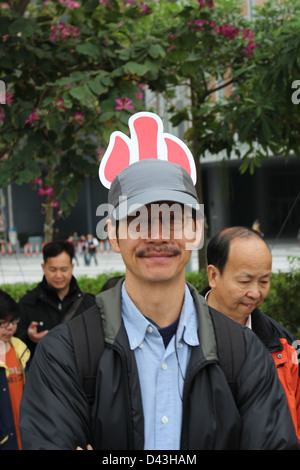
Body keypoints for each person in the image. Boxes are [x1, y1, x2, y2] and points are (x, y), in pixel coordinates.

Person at [19, 158, 299, 450]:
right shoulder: (65, 355)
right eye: (138, 219)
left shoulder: (244, 352)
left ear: (196, 231)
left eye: (173, 219)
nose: (157, 235)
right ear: (113, 235)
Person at [201, 226, 300, 441]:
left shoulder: (285, 344)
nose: (255, 292)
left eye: (264, 281)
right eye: (244, 282)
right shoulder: (180, 336)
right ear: (213, 275)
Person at [16, 240, 95, 355]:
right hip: (42, 371)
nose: (58, 275)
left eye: (64, 269)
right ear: (43, 268)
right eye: (53, 270)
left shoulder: (89, 304)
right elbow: (13, 344)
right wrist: (28, 337)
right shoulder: (28, 303)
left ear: (72, 267)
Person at [0, 290, 30, 450]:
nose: (10, 328)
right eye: (3, 323)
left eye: (13, 321)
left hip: (25, 437)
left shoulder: (20, 348)